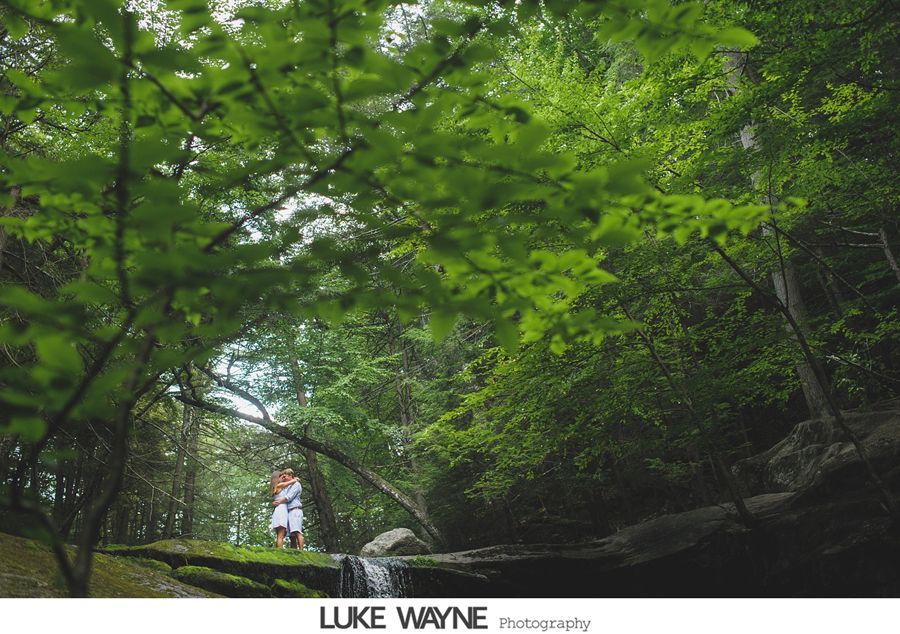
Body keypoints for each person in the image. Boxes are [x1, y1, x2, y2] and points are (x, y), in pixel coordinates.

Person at [274, 468, 304, 550]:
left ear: (290, 475)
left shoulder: (296, 484)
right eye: (282, 476)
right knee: (292, 535)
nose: (284, 478)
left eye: (285, 476)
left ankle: (301, 551)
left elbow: (289, 497)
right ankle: (293, 552)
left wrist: (279, 501)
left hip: (295, 510)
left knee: (297, 531)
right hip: (288, 511)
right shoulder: (288, 485)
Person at [268, 469, 298, 549]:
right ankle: (280, 552)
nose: (283, 477)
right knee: (280, 535)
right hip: (282, 511)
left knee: (279, 535)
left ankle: (277, 551)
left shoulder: (275, 487)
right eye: (281, 476)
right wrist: (295, 479)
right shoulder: (279, 485)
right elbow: (290, 483)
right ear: (278, 478)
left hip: (278, 510)